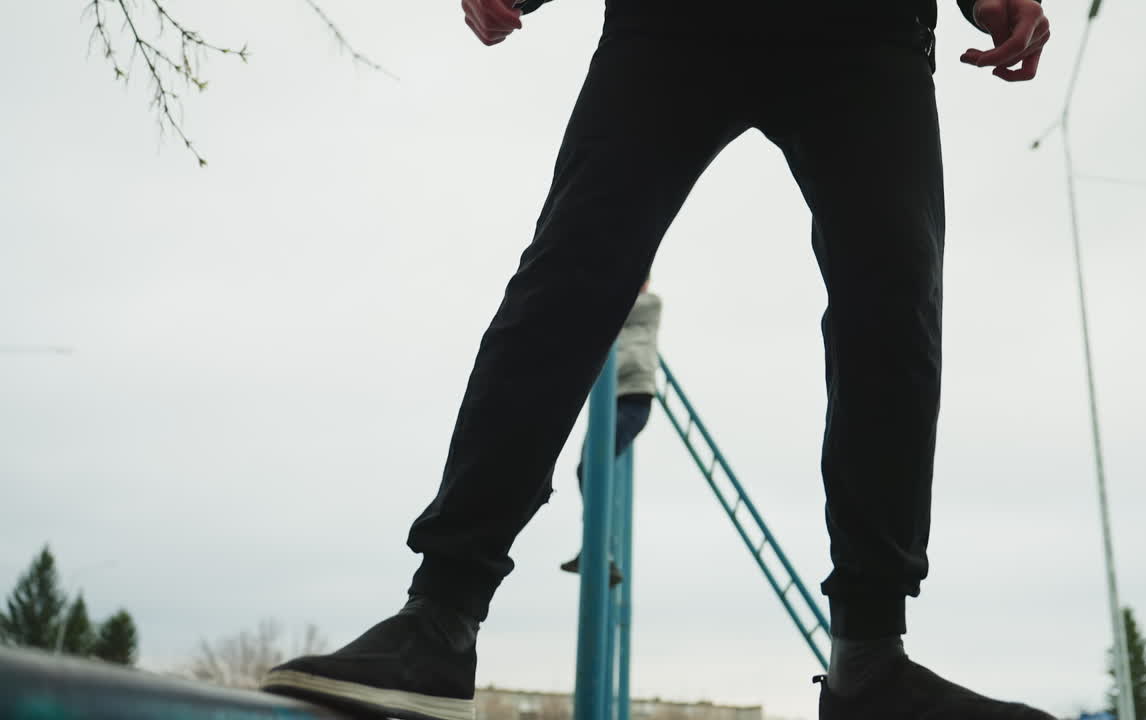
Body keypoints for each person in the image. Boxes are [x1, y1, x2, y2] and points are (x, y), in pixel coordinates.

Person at [262, 0, 1054, 718]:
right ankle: (440, 616)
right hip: (677, 22)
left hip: (864, 30)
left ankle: (872, 658)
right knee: (569, 279)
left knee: (895, 307)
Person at [559, 279, 662, 586]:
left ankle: (600, 550)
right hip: (608, 400)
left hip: (634, 400)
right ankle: (596, 547)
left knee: (596, 463)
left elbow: (606, 305)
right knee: (586, 468)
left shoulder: (650, 304)